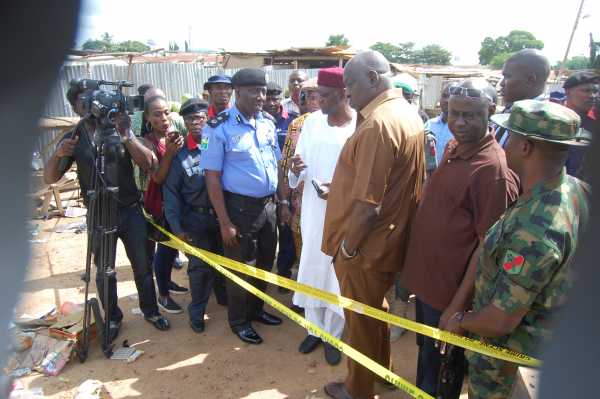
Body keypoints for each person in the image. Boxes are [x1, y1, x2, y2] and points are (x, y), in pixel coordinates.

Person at [444, 100, 591, 399]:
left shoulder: (536, 230)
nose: (504, 143)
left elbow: (500, 320)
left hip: (506, 365)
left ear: (526, 147)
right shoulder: (572, 189)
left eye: (509, 136)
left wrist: (460, 322)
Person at [400, 79, 519, 397]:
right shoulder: (455, 148)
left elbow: (487, 246)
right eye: (454, 114)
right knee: (427, 355)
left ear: (490, 112)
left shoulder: (491, 170)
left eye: (471, 115)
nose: (460, 123)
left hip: (450, 295)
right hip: (429, 287)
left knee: (444, 372)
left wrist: (456, 308)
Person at [322, 50, 426, 399]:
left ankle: (358, 389)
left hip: (365, 246)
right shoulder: (405, 114)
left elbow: (368, 206)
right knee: (373, 310)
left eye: (349, 83)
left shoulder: (380, 124)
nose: (346, 92)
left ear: (372, 77)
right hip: (388, 240)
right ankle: (383, 371)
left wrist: (348, 249)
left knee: (359, 319)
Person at [44, 80, 170, 340]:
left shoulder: (119, 128)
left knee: (142, 266)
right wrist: (58, 155)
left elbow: (151, 165)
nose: (91, 104)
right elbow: (50, 178)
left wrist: (127, 136)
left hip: (130, 210)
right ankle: (112, 317)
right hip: (100, 214)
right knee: (104, 272)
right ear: (77, 107)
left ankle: (150, 310)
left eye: (94, 97)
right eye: (84, 101)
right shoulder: (75, 137)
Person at [200, 68, 289, 345]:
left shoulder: (267, 123)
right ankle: (239, 321)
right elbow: (212, 178)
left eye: (263, 91)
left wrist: (283, 201)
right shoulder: (218, 127)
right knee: (241, 267)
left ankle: (256, 310)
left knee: (264, 262)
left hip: (268, 207)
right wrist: (224, 221)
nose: (261, 97)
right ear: (238, 92)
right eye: (254, 91)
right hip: (238, 209)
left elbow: (276, 164)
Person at [288, 67, 355, 365]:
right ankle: (314, 329)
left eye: (324, 96)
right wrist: (295, 169)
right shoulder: (312, 123)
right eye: (314, 95)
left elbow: (365, 175)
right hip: (315, 211)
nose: (317, 101)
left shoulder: (359, 126)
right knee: (313, 266)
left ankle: (333, 335)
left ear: (342, 94)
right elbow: (297, 167)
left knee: (335, 274)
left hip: (346, 213)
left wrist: (339, 191)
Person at [163, 98, 227, 333]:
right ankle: (197, 313)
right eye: (190, 119)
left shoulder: (219, 145)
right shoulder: (180, 155)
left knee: (225, 263)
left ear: (208, 119)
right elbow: (171, 194)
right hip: (196, 219)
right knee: (199, 269)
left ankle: (223, 298)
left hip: (222, 217)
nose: (196, 122)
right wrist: (177, 227)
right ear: (185, 122)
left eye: (200, 117)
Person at [140, 95, 189, 314]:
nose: (164, 118)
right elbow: (157, 177)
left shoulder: (174, 137)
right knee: (165, 250)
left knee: (172, 249)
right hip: (160, 203)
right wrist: (169, 152)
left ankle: (167, 282)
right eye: (157, 114)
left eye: (167, 112)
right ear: (148, 117)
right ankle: (163, 295)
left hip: (178, 201)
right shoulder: (146, 143)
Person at [280, 78, 321, 280]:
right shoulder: (297, 126)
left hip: (328, 208)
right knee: (302, 255)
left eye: (318, 96)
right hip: (300, 206)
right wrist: (285, 203)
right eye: (309, 96)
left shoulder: (345, 124)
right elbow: (286, 164)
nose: (314, 101)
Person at [264, 81, 298, 290]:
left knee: (286, 236)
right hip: (266, 191)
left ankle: (284, 275)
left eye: (274, 97)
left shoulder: (292, 122)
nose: (270, 102)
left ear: (280, 99)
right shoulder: (257, 121)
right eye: (267, 97)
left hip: (287, 187)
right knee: (267, 238)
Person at [495, 49, 550, 145]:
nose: (502, 83)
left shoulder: (543, 122)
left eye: (507, 76)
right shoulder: (512, 110)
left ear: (530, 80)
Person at [563, 71, 599, 181]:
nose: (593, 96)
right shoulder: (554, 119)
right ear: (568, 92)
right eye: (586, 91)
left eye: (595, 91)